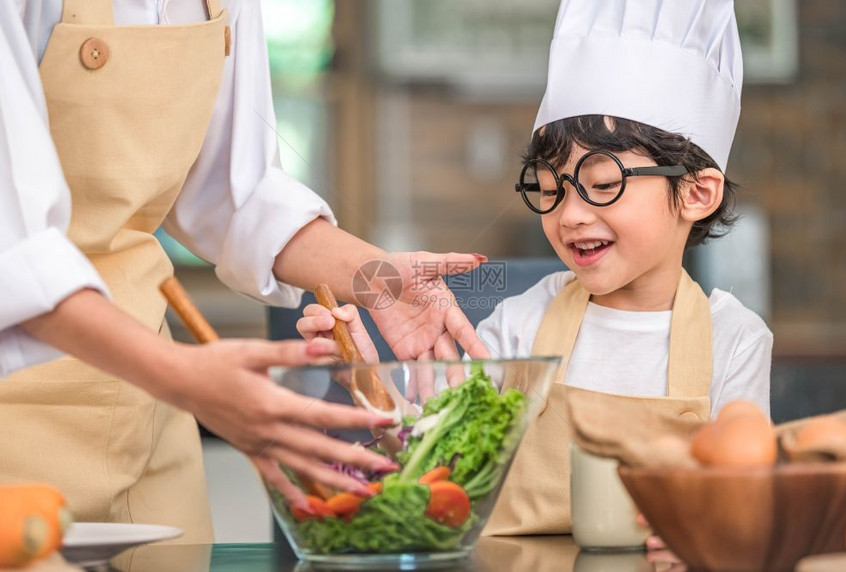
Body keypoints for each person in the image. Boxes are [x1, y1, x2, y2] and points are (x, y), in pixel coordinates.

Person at [0, 0, 489, 543]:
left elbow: (236, 191)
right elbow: (11, 251)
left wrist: (380, 281)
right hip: (19, 409)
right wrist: (184, 377)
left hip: (146, 412)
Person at [298, 0, 772, 546]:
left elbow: (746, 487)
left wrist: (712, 528)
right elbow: (437, 463)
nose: (569, 215)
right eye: (549, 188)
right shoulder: (524, 320)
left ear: (696, 193)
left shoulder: (734, 340)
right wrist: (365, 376)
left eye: (602, 183)